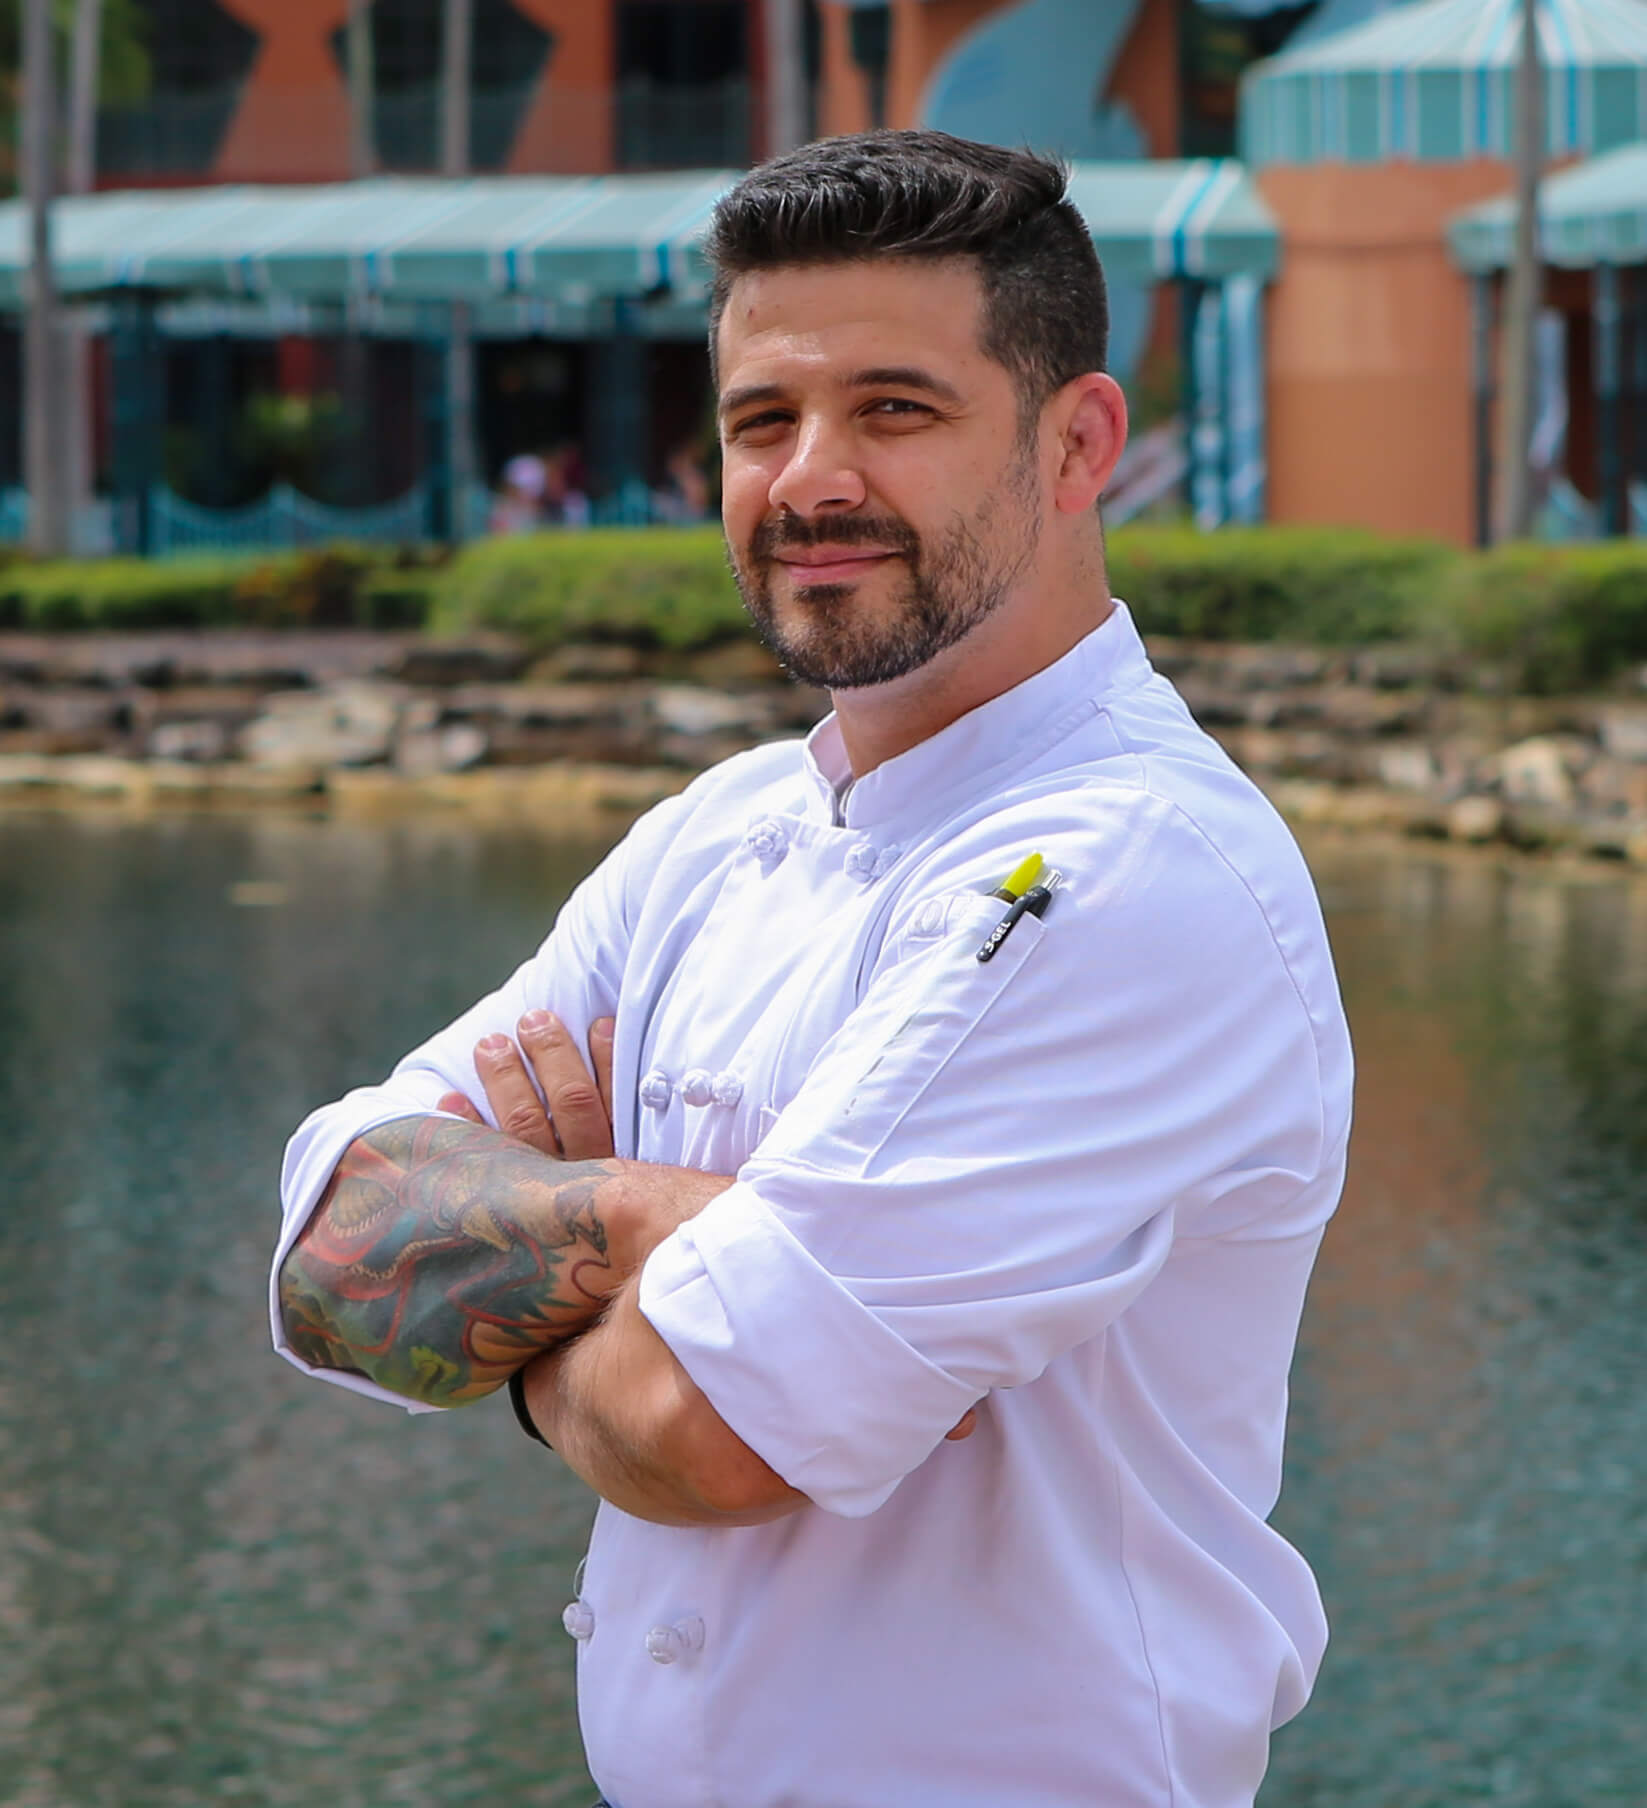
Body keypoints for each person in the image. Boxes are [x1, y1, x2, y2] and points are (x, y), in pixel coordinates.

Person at [272, 131, 1353, 1808]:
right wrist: (669, 1229)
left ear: (1079, 445)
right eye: (763, 421)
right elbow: (332, 1253)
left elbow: (711, 1436)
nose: (812, 480)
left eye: (896, 410)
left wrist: (526, 1284)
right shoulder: (715, 837)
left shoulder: (1129, 880)